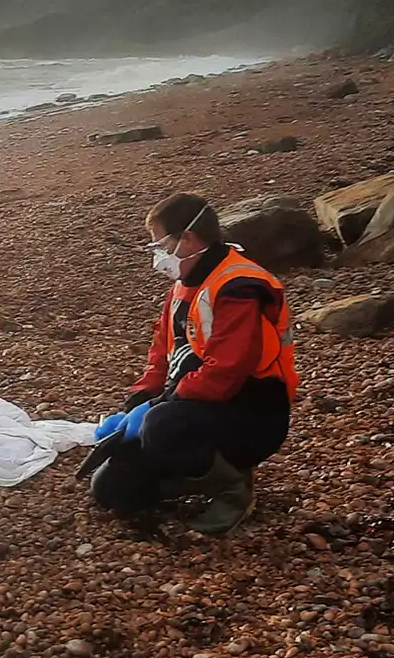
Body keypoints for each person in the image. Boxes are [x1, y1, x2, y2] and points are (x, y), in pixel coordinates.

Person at [88, 192, 298, 535]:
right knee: (113, 488)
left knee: (161, 425)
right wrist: (139, 400)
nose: (159, 256)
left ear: (187, 238)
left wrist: (158, 407)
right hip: (194, 405)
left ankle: (232, 488)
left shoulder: (239, 286)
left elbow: (225, 372)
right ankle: (190, 473)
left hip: (253, 411)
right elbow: (162, 350)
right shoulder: (186, 285)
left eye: (161, 244)